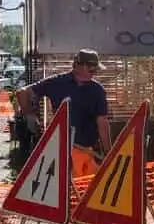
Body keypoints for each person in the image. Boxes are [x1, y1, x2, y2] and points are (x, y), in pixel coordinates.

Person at [16, 49, 111, 177]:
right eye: (92, 69)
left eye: (95, 70)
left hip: (87, 152)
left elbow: (102, 122)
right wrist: (30, 116)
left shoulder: (97, 90)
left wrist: (108, 152)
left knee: (88, 190)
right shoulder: (57, 83)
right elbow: (22, 93)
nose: (94, 73)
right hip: (62, 151)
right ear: (79, 66)